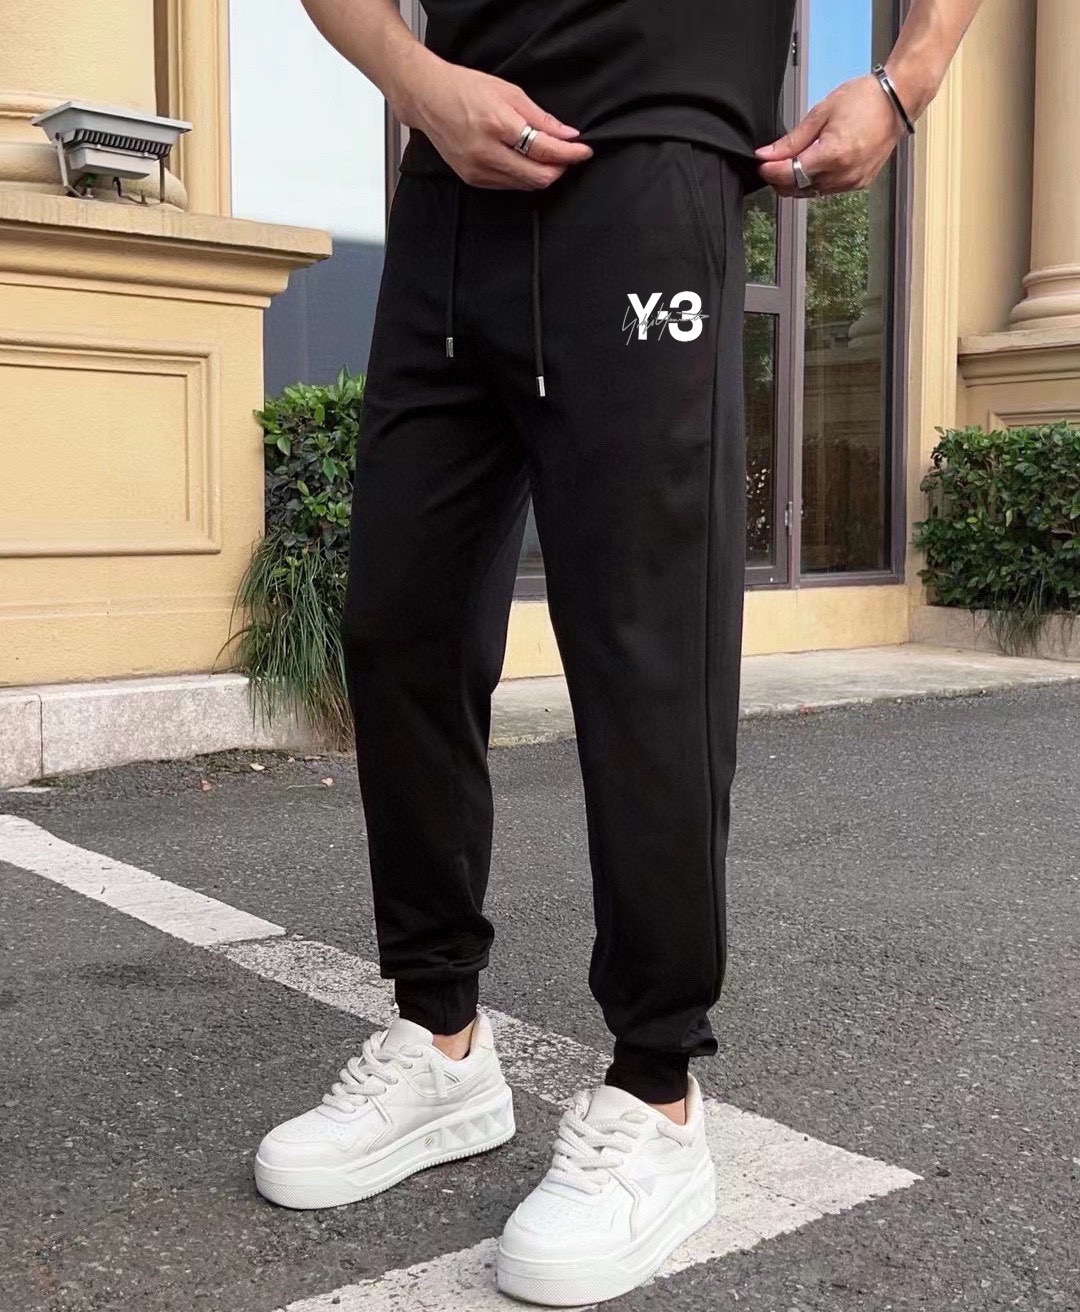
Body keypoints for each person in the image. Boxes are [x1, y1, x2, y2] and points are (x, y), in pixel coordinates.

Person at [255, 0, 983, 1303]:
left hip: (650, 171)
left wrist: (906, 80)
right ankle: (441, 1041)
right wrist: (415, 81)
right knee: (402, 625)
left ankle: (657, 1094)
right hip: (451, 186)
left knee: (646, 649)